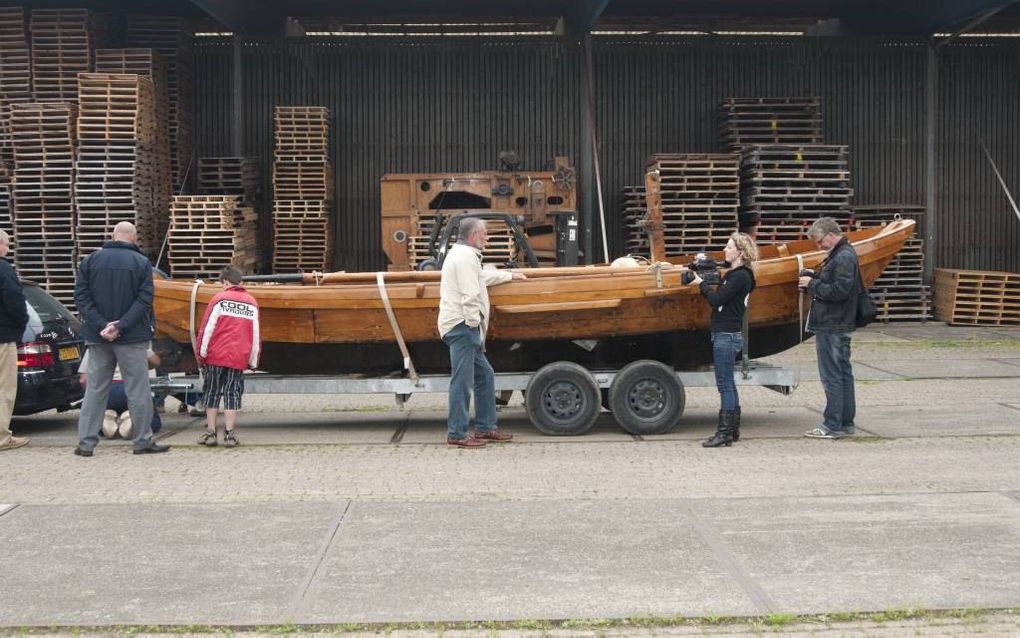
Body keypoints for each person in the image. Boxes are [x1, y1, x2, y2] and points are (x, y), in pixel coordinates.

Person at [73, 221, 168, 456]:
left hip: (98, 337)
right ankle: (142, 441)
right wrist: (121, 325)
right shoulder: (141, 263)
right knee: (138, 390)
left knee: (95, 390)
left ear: (112, 235)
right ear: (134, 239)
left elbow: (81, 299)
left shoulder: (90, 261)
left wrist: (103, 325)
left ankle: (86, 443)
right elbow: (144, 301)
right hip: (131, 337)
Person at [438, 217, 526, 448]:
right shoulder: (466, 257)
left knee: (485, 375)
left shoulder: (464, 256)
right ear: (474, 235)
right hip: (462, 327)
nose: (487, 238)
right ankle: (456, 434)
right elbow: (470, 294)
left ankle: (486, 427)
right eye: (485, 234)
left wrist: (509, 275)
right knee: (462, 381)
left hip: (461, 327)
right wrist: (472, 325)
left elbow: (481, 278)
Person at [689, 232, 758, 448]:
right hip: (727, 333)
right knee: (728, 383)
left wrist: (701, 284)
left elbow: (717, 299)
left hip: (726, 334)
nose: (725, 250)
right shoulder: (738, 274)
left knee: (724, 384)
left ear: (740, 251)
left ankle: (725, 432)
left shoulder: (739, 276)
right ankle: (732, 430)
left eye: (729, 247)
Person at [798, 217, 860, 439]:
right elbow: (838, 284)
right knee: (843, 374)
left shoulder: (843, 256)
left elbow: (839, 291)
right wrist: (815, 276)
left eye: (819, 241)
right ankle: (845, 423)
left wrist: (812, 284)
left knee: (832, 375)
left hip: (833, 324)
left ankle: (832, 425)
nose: (819, 246)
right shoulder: (844, 254)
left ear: (830, 235)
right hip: (838, 323)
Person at [195, 266, 260, 448]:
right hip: (238, 358)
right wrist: (253, 361)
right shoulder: (251, 302)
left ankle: (211, 433)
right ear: (240, 282)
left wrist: (201, 355)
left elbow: (206, 330)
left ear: (224, 282)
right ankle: (230, 435)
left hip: (216, 355)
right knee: (232, 394)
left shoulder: (219, 299)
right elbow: (255, 334)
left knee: (212, 392)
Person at [78, 346, 163, 437]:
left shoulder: (94, 347)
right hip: (132, 389)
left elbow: (83, 380)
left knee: (95, 422)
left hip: (105, 392)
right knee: (154, 421)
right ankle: (131, 421)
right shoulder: (135, 341)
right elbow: (156, 362)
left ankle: (107, 419)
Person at [0, 229, 29, 452]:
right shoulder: (3, 269)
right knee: (3, 388)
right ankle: (2, 436)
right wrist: (21, 323)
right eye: (7, 245)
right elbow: (14, 301)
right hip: (2, 337)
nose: (7, 250)